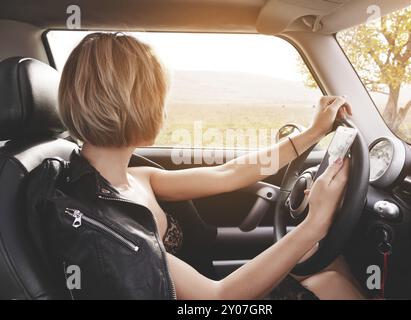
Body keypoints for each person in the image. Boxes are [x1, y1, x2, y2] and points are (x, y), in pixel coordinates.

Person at [57, 32, 365, 300]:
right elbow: (219, 296)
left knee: (324, 261)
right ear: (133, 104)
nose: (164, 108)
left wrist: (312, 133)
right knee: (330, 283)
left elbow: (228, 174)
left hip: (209, 283)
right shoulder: (109, 227)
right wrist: (316, 222)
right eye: (158, 97)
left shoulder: (136, 178)